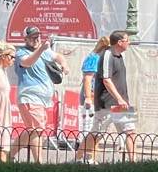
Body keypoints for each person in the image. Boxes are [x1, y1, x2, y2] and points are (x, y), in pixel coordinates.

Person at [8, 25, 66, 163]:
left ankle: (8, 156)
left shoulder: (45, 51)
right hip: (30, 96)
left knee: (32, 130)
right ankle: (38, 163)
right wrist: (41, 49)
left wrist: (64, 65)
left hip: (42, 98)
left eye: (38, 36)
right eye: (32, 37)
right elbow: (27, 63)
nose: (36, 39)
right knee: (37, 130)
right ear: (26, 38)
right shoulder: (21, 52)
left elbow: (58, 56)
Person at [93, 30, 137, 163]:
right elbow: (106, 79)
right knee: (97, 134)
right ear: (119, 42)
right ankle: (81, 158)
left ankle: (133, 163)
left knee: (131, 131)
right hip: (108, 103)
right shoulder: (108, 54)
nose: (129, 43)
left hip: (121, 103)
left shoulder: (120, 56)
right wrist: (118, 98)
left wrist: (123, 100)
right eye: (127, 40)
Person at [72, 35, 110, 164]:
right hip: (92, 99)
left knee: (97, 131)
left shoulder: (102, 58)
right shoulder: (94, 58)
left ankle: (87, 157)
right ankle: (84, 157)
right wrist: (88, 97)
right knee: (91, 131)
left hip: (100, 99)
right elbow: (88, 79)